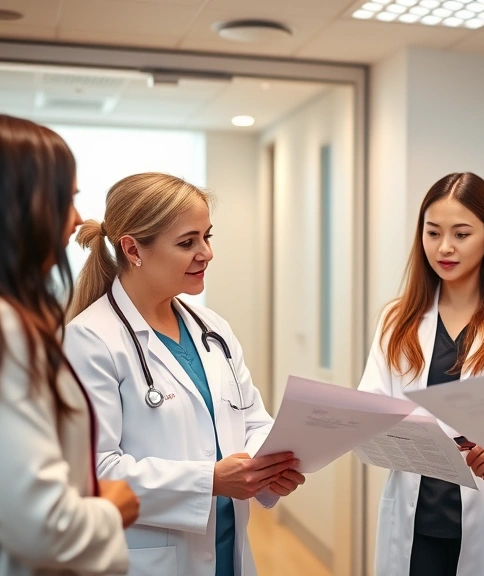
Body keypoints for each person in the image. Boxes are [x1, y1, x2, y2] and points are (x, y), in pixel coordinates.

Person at [64, 173, 305, 576]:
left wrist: (266, 467)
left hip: (228, 548)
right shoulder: (90, 340)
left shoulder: (212, 328)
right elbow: (94, 471)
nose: (206, 253)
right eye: (187, 242)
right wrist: (209, 480)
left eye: (207, 237)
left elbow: (252, 419)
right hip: (147, 557)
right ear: (133, 249)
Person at [0, 111, 137, 575]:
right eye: (66, 200)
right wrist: (113, 510)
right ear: (14, 207)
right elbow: (44, 528)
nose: (78, 220)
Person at [358, 172, 484, 576]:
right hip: (416, 522)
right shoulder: (398, 320)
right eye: (433, 233)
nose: (444, 247)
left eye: (461, 234)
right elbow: (371, 409)